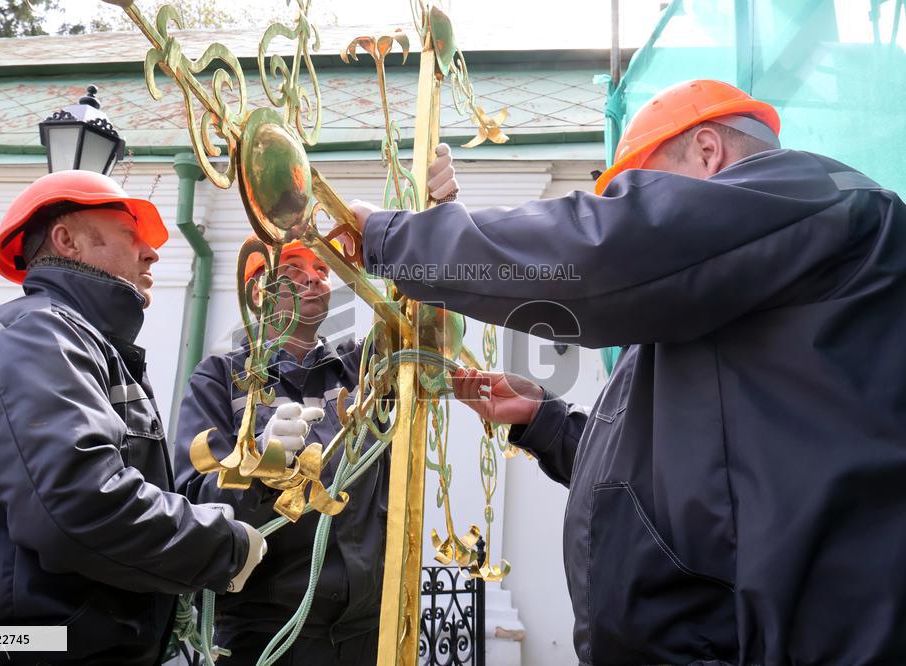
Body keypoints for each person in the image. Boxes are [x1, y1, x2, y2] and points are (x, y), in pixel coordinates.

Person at [350, 79, 906, 664]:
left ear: (709, 151)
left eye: (634, 191)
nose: (626, 209)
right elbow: (675, 465)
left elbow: (595, 254)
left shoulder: (812, 195)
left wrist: (397, 240)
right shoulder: (734, 284)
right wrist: (544, 421)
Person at [0, 170, 266, 666]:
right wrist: (222, 545)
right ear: (67, 239)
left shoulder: (72, 344)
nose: (151, 251)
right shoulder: (34, 335)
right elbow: (79, 504)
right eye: (130, 232)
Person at [173, 146, 459, 666]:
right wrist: (261, 461)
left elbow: (427, 340)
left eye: (321, 269)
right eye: (296, 267)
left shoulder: (359, 367)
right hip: (265, 629)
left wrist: (436, 224)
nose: (314, 277)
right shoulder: (220, 378)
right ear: (258, 289)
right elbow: (192, 497)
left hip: (366, 630)